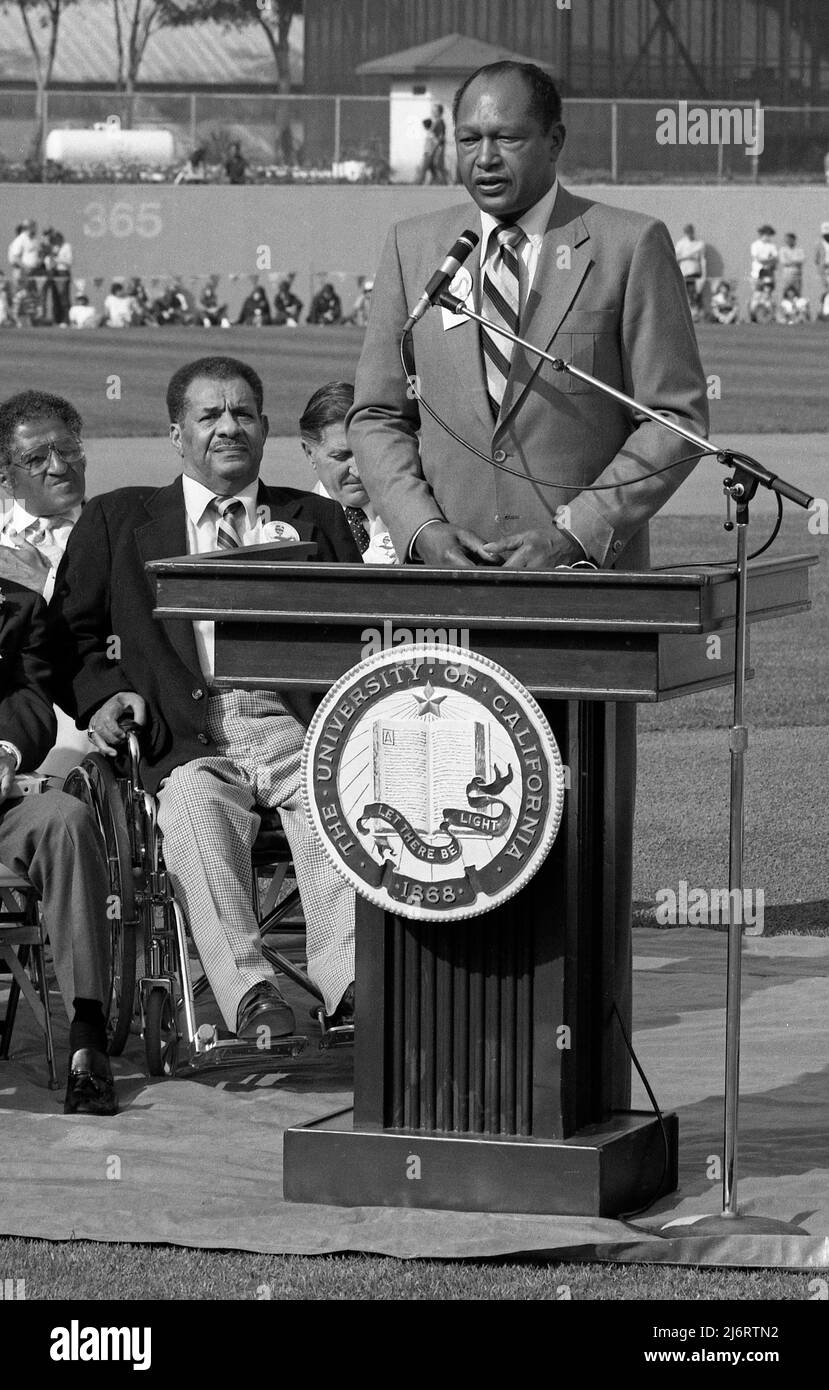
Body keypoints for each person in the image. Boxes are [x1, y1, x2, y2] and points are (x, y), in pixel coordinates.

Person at [348, 61, 708, 1109]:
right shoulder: (418, 249)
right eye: (468, 139)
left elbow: (673, 417)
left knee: (561, 832)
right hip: (444, 603)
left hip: (579, 604)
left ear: (556, 138)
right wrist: (420, 535)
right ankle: (438, 1091)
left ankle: (567, 1100)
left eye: (506, 138)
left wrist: (573, 532)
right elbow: (376, 415)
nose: (485, 157)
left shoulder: (626, 243)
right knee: (441, 826)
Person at [49, 356, 361, 1038]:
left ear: (265, 428)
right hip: (179, 733)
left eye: (243, 413)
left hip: (290, 727)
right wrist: (101, 700)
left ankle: (349, 985)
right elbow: (66, 639)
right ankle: (250, 992)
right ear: (177, 434)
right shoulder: (116, 520)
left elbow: (359, 639)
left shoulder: (318, 520)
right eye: (209, 415)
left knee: (335, 797)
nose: (228, 427)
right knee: (193, 807)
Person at [0, 432, 115, 1113]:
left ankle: (86, 1036)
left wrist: (6, 754)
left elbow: (28, 696)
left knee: (69, 820)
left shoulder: (14, 599)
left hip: (8, 804)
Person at [0, 391, 85, 603]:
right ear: (6, 480)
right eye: (36, 459)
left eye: (67, 450)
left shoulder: (123, 533)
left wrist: (45, 583)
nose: (59, 467)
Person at [300, 381, 397, 564]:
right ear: (310, 453)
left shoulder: (415, 512)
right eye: (341, 456)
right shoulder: (291, 528)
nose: (359, 472)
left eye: (365, 453)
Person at [674, 222, 707, 319]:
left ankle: (697, 313)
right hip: (685, 272)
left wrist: (704, 274)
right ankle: (690, 313)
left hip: (696, 271)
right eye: (687, 232)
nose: (689, 233)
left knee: (696, 292)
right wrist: (687, 256)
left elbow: (703, 259)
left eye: (690, 231)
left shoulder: (700, 243)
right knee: (688, 293)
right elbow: (676, 257)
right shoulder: (681, 244)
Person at [750, 224, 778, 289]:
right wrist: (768, 260)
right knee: (757, 292)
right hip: (757, 273)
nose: (768, 237)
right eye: (767, 234)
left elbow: (775, 258)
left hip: (769, 273)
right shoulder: (755, 245)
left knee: (768, 291)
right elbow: (757, 258)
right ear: (762, 234)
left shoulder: (772, 246)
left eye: (769, 235)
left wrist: (767, 261)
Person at [777, 231, 805, 296]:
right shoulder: (782, 250)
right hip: (786, 275)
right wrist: (794, 261)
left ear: (794, 239)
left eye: (789, 239)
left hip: (797, 275)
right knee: (785, 293)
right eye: (786, 240)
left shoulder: (799, 250)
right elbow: (783, 262)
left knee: (797, 293)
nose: (787, 241)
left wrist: (790, 260)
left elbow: (801, 260)